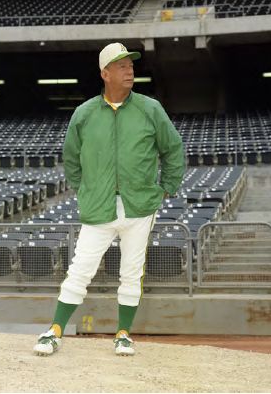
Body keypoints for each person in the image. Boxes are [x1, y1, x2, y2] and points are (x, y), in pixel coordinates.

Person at [33, 42, 185, 357]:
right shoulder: (84, 113)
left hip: (140, 206)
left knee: (132, 271)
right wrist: (84, 189)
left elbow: (172, 149)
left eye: (130, 65)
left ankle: (123, 334)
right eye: (121, 66)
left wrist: (166, 187)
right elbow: (71, 159)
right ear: (105, 73)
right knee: (81, 268)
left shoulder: (150, 108)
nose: (129, 70)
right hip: (98, 207)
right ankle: (55, 330)